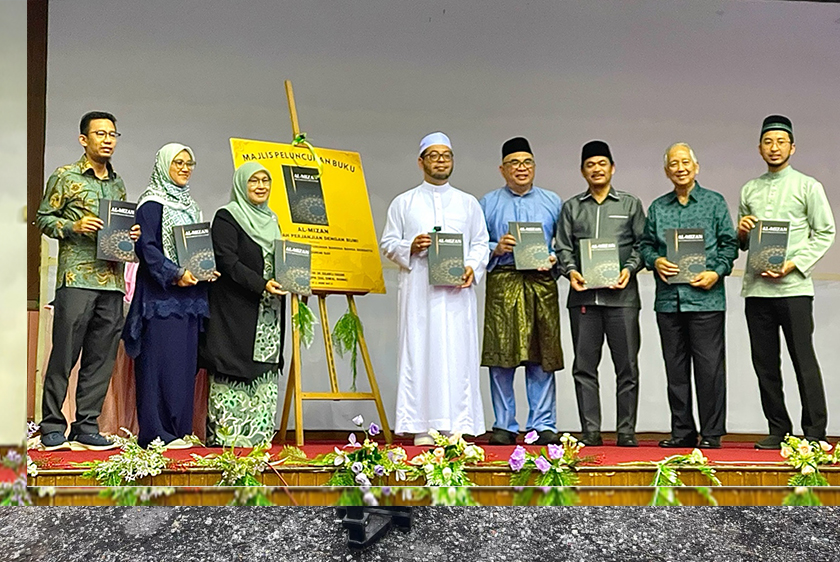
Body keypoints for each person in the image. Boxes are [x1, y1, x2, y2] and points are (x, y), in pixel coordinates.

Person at [35, 111, 139, 451]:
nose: (108, 139)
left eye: (112, 134)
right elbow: (43, 218)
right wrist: (73, 227)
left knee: (101, 358)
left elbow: (117, 229)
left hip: (111, 281)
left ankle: (86, 426)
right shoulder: (65, 177)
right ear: (84, 139)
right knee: (64, 356)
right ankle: (52, 426)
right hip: (77, 278)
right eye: (100, 134)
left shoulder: (118, 183)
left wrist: (130, 234)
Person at [380, 132, 490, 446]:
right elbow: (388, 242)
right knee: (420, 352)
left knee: (458, 355)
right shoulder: (405, 202)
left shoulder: (468, 203)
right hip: (420, 296)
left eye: (446, 155)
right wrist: (409, 246)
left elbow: (481, 242)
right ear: (421, 162)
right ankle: (421, 426)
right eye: (433, 155)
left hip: (457, 296)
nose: (440, 160)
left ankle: (456, 426)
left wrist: (472, 265)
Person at [738, 115, 836, 449]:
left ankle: (814, 432)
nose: (774, 147)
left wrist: (794, 264)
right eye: (768, 142)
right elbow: (743, 241)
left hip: (793, 289)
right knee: (765, 364)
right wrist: (741, 232)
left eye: (781, 141)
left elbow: (826, 231)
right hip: (757, 290)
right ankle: (778, 428)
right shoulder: (750, 189)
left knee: (803, 360)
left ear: (792, 147)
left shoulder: (808, 186)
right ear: (759, 148)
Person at [639, 142, 738, 449]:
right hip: (669, 301)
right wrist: (655, 260)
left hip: (706, 299)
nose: (680, 168)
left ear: (696, 167)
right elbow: (645, 246)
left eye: (685, 162)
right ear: (666, 171)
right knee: (676, 370)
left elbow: (729, 244)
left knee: (709, 370)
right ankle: (682, 432)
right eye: (673, 164)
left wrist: (717, 272)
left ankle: (710, 434)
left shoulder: (714, 202)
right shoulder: (658, 207)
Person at [122, 143, 213, 449]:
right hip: (161, 299)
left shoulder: (191, 206)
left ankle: (179, 430)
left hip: (189, 301)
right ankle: (156, 433)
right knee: (157, 367)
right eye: (178, 162)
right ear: (163, 165)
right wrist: (176, 274)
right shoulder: (151, 204)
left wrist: (205, 269)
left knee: (183, 368)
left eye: (190, 163)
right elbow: (146, 248)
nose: (185, 168)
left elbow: (198, 250)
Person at [556, 140, 646, 447]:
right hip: (583, 300)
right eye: (590, 165)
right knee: (584, 368)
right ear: (582, 171)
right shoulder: (571, 207)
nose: (596, 169)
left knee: (628, 367)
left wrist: (630, 269)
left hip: (622, 299)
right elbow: (563, 247)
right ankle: (590, 431)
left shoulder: (630, 204)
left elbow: (642, 246)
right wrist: (571, 272)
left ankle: (626, 431)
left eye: (602, 163)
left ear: (612, 168)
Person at [479, 137, 564, 446]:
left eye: (527, 162)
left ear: (535, 167)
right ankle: (503, 423)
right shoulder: (487, 203)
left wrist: (555, 258)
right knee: (502, 356)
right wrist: (495, 246)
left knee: (542, 356)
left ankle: (542, 424)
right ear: (502, 169)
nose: (522, 168)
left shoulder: (552, 201)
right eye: (514, 163)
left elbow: (564, 245)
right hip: (504, 280)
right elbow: (475, 245)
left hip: (541, 283)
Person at [201, 162, 286, 447]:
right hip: (235, 308)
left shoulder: (273, 219)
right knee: (232, 368)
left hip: (269, 312)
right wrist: (261, 284)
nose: (261, 186)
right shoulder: (227, 217)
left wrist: (293, 282)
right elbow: (226, 260)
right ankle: (228, 439)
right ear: (241, 185)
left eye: (266, 180)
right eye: (254, 181)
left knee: (264, 369)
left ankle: (259, 438)